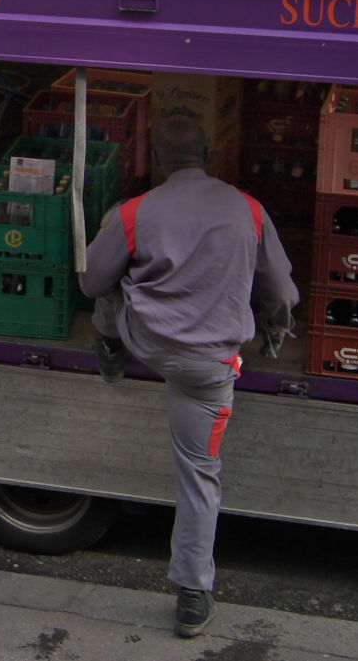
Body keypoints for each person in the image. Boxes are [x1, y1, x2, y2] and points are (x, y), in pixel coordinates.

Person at [79, 117, 298, 639]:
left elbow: (90, 281)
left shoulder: (133, 212)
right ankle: (193, 597)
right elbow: (282, 294)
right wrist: (275, 328)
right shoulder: (248, 209)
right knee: (199, 475)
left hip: (148, 342)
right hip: (209, 367)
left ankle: (108, 345)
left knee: (113, 286)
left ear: (156, 159)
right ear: (210, 153)